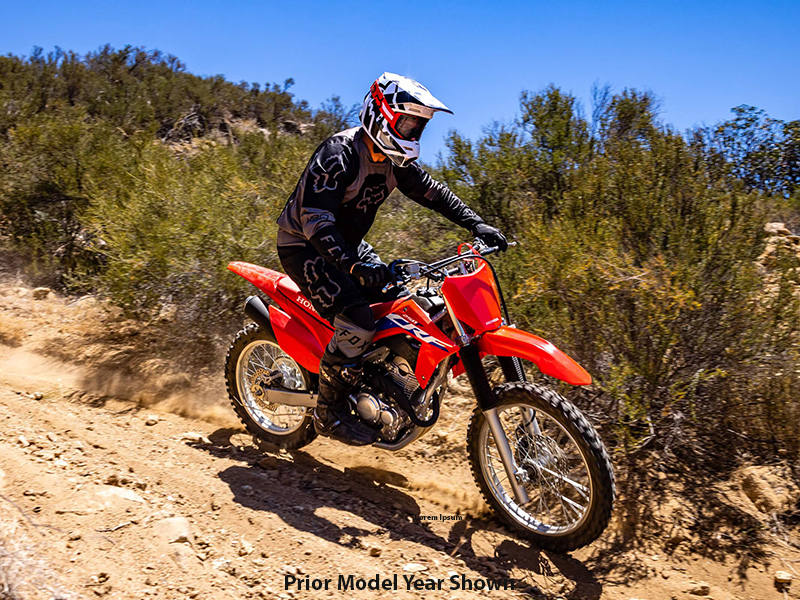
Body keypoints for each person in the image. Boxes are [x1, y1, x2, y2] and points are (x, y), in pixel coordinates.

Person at [276, 72, 508, 446]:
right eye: (408, 122)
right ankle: (329, 411)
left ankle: (378, 382)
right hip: (304, 246)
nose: (413, 132)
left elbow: (434, 193)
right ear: (381, 113)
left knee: (403, 300)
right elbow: (315, 221)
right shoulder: (340, 154)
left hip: (349, 245)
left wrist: (477, 224)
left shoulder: (395, 162)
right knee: (358, 321)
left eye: (418, 126)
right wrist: (354, 267)